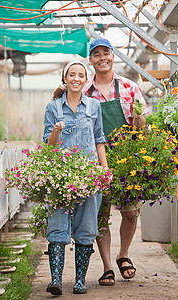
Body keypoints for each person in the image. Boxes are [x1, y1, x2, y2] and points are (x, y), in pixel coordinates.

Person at [83, 38, 149, 286]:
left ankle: (123, 255)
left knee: (130, 213)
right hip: (96, 159)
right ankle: (108, 266)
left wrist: (140, 119)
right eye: (96, 54)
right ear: (91, 60)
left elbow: (141, 127)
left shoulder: (130, 87)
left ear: (113, 56)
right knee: (101, 215)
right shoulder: (85, 92)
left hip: (127, 158)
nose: (102, 58)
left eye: (106, 53)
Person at [43, 61, 108, 295]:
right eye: (72, 75)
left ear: (85, 79)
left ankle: (80, 281)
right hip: (61, 175)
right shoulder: (53, 107)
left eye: (81, 75)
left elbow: (99, 140)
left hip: (89, 175)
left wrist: (104, 170)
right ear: (65, 78)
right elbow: (48, 146)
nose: (76, 79)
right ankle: (56, 282)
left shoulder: (93, 107)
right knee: (58, 225)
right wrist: (56, 131)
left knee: (87, 225)